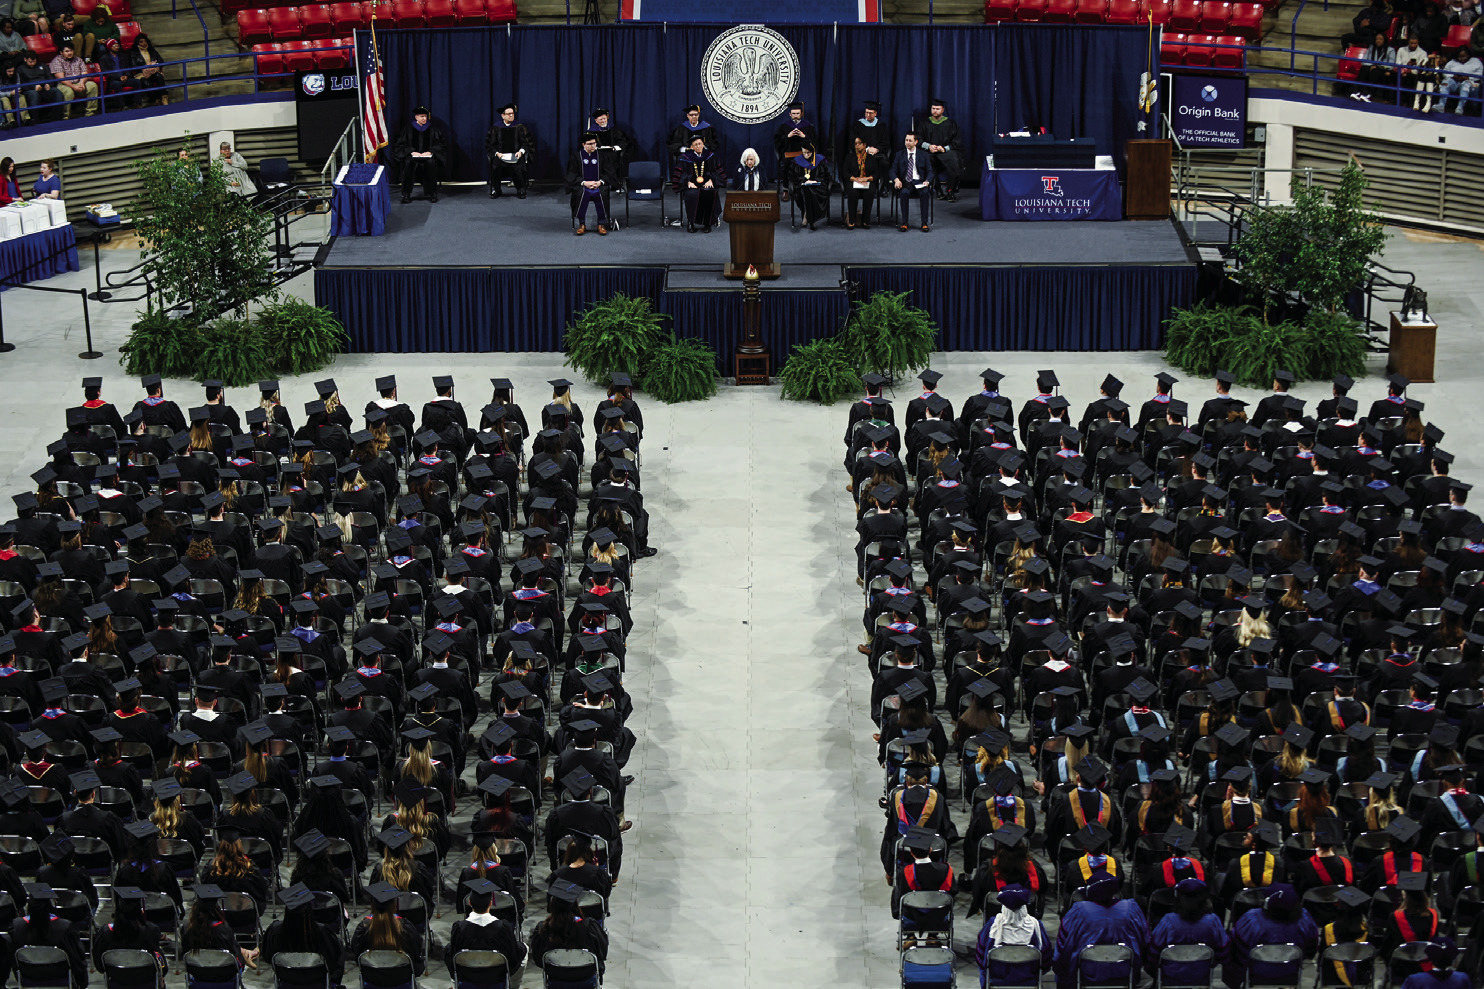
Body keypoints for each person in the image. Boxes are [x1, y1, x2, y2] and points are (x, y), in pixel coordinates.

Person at [1053, 874, 1149, 989]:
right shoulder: (1131, 909)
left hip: (1086, 972)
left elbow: (1064, 946)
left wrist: (1059, 968)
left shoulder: (1078, 911)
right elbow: (1145, 942)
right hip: (1125, 972)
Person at [1228, 883, 1319, 987]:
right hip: (1290, 971)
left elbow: (1237, 950)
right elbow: (1311, 950)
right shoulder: (1304, 920)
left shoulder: (1251, 920)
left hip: (1256, 972)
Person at [261, 883, 345, 984]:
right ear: (310, 910)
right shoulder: (322, 931)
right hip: (317, 982)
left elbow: (268, 957)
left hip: (287, 981)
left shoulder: (275, 930)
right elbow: (333, 961)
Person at [1148, 878, 1227, 982]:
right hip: (1202, 973)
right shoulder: (1212, 921)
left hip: (1171, 974)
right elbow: (1223, 950)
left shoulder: (1169, 920)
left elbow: (1154, 951)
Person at [446, 878, 526, 978]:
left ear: (470, 903)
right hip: (497, 975)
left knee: (449, 949)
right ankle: (512, 986)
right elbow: (513, 956)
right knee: (523, 947)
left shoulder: (459, 928)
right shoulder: (503, 927)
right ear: (490, 903)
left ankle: (457, 984)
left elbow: (453, 956)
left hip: (467, 975)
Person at [975, 884, 1051, 987]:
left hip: (997, 979)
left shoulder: (993, 925)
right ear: (1024, 907)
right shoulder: (1036, 926)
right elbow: (1045, 959)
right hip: (1029, 979)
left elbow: (981, 957)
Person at [348, 881, 426, 975]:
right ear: (394, 905)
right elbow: (416, 952)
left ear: (372, 906)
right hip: (402, 977)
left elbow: (357, 954)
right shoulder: (405, 927)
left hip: (372, 978)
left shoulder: (363, 928)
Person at [565, 132, 617, 237]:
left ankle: (601, 224)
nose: (593, 146)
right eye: (590, 144)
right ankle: (582, 224)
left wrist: (600, 182)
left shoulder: (602, 156)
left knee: (603, 191)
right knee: (579, 193)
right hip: (583, 185)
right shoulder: (576, 157)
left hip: (599, 184)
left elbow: (609, 172)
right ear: (583, 144)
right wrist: (585, 183)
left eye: (594, 143)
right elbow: (571, 174)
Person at [392, 104, 445, 205]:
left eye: (425, 116)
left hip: (428, 156)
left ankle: (432, 193)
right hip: (412, 156)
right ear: (416, 117)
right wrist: (411, 151)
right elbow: (400, 144)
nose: (424, 118)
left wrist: (430, 151)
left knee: (431, 163)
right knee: (408, 163)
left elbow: (440, 144)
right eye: (422, 116)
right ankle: (406, 194)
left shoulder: (433, 129)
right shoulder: (408, 129)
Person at [672, 134, 723, 233]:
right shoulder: (684, 158)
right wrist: (687, 182)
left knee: (709, 193)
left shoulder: (711, 156)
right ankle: (691, 222)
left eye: (700, 144)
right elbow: (680, 173)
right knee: (691, 194)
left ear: (703, 144)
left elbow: (717, 171)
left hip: (707, 182)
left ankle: (707, 223)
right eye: (695, 144)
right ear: (691, 147)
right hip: (692, 184)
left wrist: (711, 180)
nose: (698, 146)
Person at [485, 102, 532, 199]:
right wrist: (497, 153)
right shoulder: (496, 128)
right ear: (503, 116)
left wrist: (521, 151)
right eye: (509, 114)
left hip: (516, 155)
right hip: (500, 156)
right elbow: (489, 145)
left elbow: (525, 143)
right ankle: (496, 190)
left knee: (518, 165)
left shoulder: (519, 127)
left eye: (513, 114)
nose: (511, 115)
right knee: (496, 166)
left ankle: (521, 189)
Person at [919, 98, 962, 201]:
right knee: (928, 162)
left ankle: (950, 190)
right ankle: (937, 189)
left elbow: (957, 140)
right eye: (933, 108)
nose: (935, 111)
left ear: (943, 110)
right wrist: (928, 146)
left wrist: (945, 148)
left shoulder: (950, 124)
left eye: (938, 109)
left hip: (946, 151)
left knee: (955, 162)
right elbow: (918, 139)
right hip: (930, 152)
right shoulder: (925, 123)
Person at [891, 132, 933, 232]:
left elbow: (930, 171)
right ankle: (904, 222)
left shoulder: (924, 155)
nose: (908, 143)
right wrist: (896, 180)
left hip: (920, 182)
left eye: (910, 141)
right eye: (906, 140)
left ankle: (924, 223)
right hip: (906, 182)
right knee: (904, 193)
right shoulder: (899, 154)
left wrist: (927, 181)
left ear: (916, 142)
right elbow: (892, 170)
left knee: (925, 193)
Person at [786, 142, 831, 230]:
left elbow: (824, 176)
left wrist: (815, 180)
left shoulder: (819, 160)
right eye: (804, 152)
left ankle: (807, 216)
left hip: (817, 187)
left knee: (809, 190)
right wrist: (803, 180)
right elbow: (793, 177)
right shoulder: (797, 161)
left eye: (808, 153)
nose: (806, 155)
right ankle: (812, 220)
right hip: (801, 186)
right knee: (806, 190)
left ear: (813, 152)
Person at [48, 40, 96, 118]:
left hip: (78, 82)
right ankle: (65, 116)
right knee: (68, 91)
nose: (69, 53)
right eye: (67, 51)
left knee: (93, 86)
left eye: (71, 50)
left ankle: (90, 113)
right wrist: (73, 87)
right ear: (61, 52)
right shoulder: (56, 61)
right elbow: (61, 79)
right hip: (63, 85)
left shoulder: (78, 59)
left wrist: (82, 83)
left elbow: (84, 72)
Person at [844, 135, 883, 229]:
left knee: (869, 192)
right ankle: (851, 220)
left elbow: (876, 174)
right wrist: (856, 179)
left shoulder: (871, 158)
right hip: (854, 181)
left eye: (859, 143)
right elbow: (845, 173)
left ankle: (866, 220)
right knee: (853, 192)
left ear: (865, 145)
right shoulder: (849, 157)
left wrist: (866, 179)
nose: (857, 146)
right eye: (855, 144)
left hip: (867, 182)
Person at [588, 106, 633, 182]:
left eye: (604, 118)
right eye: (601, 119)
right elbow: (589, 143)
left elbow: (622, 141)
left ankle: (612, 183)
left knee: (612, 160)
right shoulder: (592, 131)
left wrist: (615, 147)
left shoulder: (614, 129)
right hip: (598, 152)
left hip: (613, 152)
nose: (603, 121)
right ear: (596, 120)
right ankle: (602, 182)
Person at [122, 33, 167, 107]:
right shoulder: (133, 53)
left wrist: (154, 66)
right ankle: (155, 99)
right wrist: (146, 67)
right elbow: (134, 66)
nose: (144, 43)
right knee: (145, 82)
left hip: (153, 71)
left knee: (159, 77)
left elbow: (161, 61)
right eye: (141, 42)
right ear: (137, 43)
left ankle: (164, 97)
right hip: (141, 73)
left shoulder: (152, 50)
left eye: (145, 41)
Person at [17, 50, 58, 123]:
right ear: (25, 59)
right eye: (30, 62)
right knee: (34, 94)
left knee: (57, 92)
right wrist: (33, 87)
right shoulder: (20, 69)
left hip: (45, 88)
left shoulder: (42, 65)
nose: (32, 63)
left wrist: (49, 84)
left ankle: (57, 117)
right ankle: (35, 119)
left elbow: (50, 77)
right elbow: (21, 84)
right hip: (29, 90)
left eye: (34, 61)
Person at [1443, 45, 1482, 112]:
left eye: (1464, 56)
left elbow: (1479, 74)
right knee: (1445, 83)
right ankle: (1441, 105)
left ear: (1468, 55)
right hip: (1455, 83)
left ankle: (1460, 108)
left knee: (1466, 84)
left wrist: (1468, 77)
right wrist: (1453, 76)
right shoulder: (1453, 61)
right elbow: (1445, 71)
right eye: (1459, 57)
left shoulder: (1476, 62)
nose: (1461, 59)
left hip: (1470, 83)